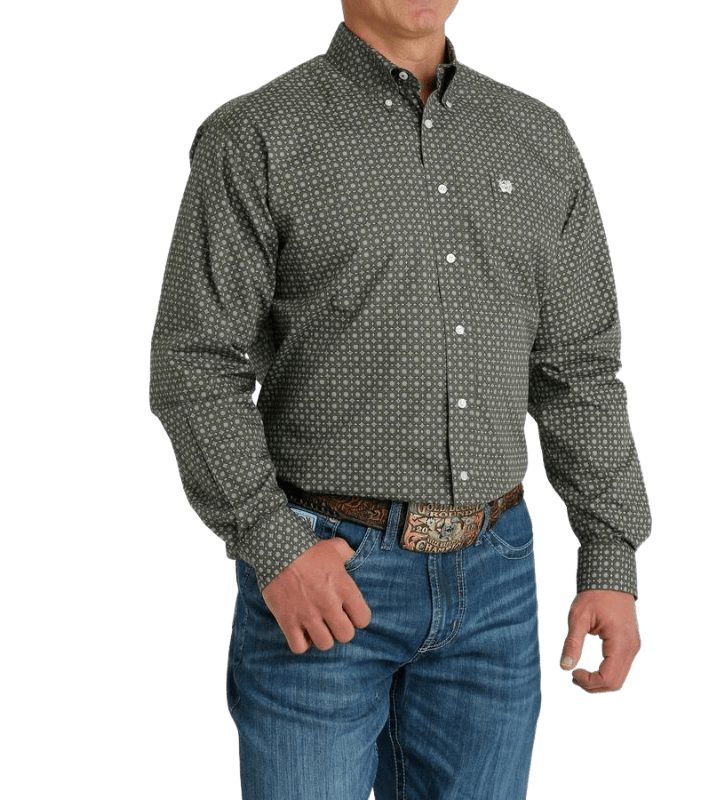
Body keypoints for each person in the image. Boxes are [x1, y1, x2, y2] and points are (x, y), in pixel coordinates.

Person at [147, 1, 653, 797]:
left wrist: (610, 559)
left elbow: (579, 370)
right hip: (324, 577)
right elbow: (195, 364)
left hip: (497, 585)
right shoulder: (256, 135)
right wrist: (274, 546)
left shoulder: (538, 136)